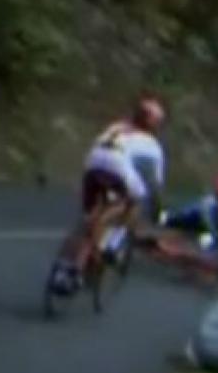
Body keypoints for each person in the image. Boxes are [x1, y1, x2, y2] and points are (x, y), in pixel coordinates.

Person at [50, 96, 168, 295]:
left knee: (89, 218)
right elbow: (155, 185)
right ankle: (112, 245)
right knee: (136, 199)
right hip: (117, 166)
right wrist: (158, 210)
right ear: (154, 125)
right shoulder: (153, 146)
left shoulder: (117, 127)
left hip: (92, 164)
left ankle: (65, 265)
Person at [160, 173, 218, 253]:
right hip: (199, 220)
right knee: (186, 219)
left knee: (215, 239)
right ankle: (167, 220)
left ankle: (210, 247)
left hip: (211, 228)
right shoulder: (210, 202)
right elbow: (203, 217)